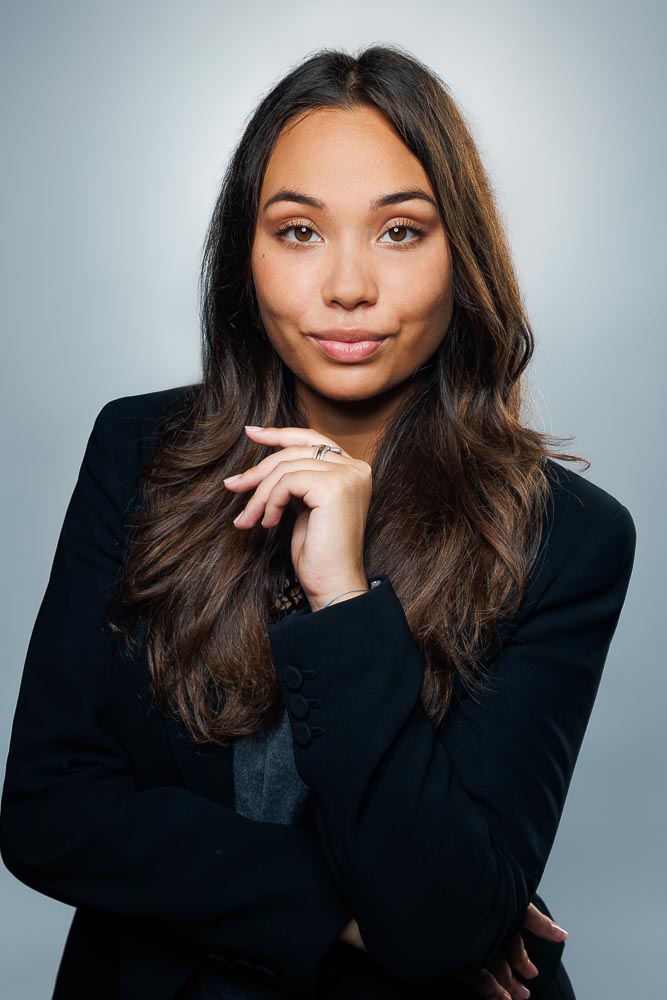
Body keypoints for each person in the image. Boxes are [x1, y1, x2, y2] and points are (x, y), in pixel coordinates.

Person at [0, 43, 636, 1000]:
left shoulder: (566, 533)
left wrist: (344, 597)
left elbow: (442, 919)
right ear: (243, 255)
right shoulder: (139, 449)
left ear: (461, 256)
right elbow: (48, 810)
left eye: (400, 232)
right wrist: (335, 907)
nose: (347, 287)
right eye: (299, 232)